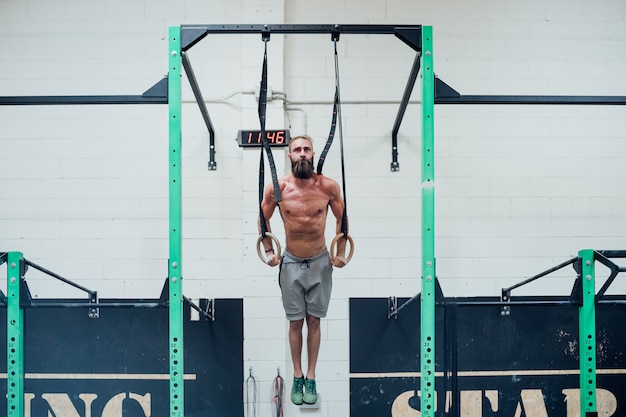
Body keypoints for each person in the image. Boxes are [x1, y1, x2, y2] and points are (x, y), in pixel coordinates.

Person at [259, 134, 348, 405]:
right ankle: (297, 374)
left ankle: (311, 376)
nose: (302, 153)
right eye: (296, 149)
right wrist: (270, 251)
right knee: (296, 321)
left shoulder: (328, 187)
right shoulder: (277, 188)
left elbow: (342, 219)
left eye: (306, 149)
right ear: (289, 156)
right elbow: (263, 221)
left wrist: (341, 252)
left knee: (314, 320)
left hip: (320, 260)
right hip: (291, 263)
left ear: (313, 154)